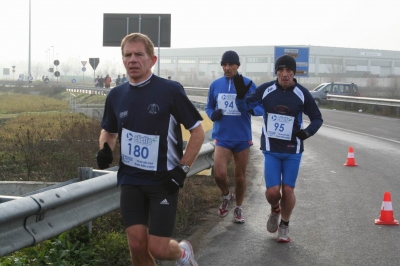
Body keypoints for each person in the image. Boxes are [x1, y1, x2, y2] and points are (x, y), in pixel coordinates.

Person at [96, 32, 204, 266]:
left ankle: (183, 252)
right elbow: (109, 131)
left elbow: (198, 132)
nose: (132, 60)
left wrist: (182, 169)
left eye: (138, 55)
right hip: (130, 179)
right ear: (123, 60)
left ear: (152, 60)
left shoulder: (170, 91)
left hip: (163, 180)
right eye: (127, 55)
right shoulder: (116, 95)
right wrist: (105, 149)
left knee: (158, 248)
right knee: (136, 245)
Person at [234, 55, 323, 242]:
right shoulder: (266, 90)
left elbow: (317, 118)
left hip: (293, 151)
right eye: (281, 71)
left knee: (288, 191)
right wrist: (241, 96)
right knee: (272, 192)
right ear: (276, 72)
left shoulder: (302, 93)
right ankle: (275, 209)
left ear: (294, 73)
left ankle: (285, 224)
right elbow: (245, 108)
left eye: (289, 71)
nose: (285, 75)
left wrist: (307, 133)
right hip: (272, 150)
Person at [205, 50, 264, 224]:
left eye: (231, 64)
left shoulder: (248, 84)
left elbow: (260, 108)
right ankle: (226, 196)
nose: (227, 68)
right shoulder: (215, 85)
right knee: (219, 174)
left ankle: (238, 208)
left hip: (242, 138)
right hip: (222, 136)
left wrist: (249, 107)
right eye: (224, 65)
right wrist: (212, 114)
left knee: (240, 177)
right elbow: (208, 106)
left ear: (238, 66)